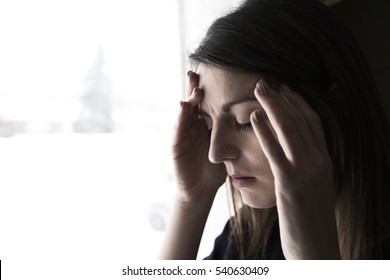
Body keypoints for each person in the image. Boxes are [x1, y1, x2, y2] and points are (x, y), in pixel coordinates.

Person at [159, 0, 390, 259]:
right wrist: (191, 200)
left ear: (331, 114)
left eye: (245, 120)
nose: (216, 153)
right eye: (209, 123)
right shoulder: (248, 237)